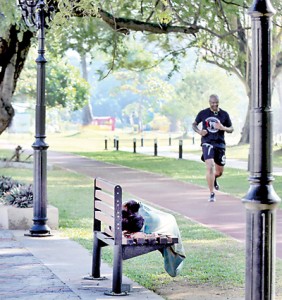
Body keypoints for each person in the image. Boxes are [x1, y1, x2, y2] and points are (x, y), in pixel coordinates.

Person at [122, 200, 186, 277]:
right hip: (165, 221)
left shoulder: (142, 218)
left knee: (172, 259)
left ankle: (174, 265)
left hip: (166, 226)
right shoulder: (134, 213)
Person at [192, 94, 234, 202]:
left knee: (219, 172)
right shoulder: (203, 113)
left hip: (220, 144)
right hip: (207, 142)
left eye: (216, 103)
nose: (214, 104)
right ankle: (212, 193)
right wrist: (199, 131)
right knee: (210, 166)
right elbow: (194, 124)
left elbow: (231, 129)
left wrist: (222, 127)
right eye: (212, 103)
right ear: (209, 102)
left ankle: (214, 178)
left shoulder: (224, 114)